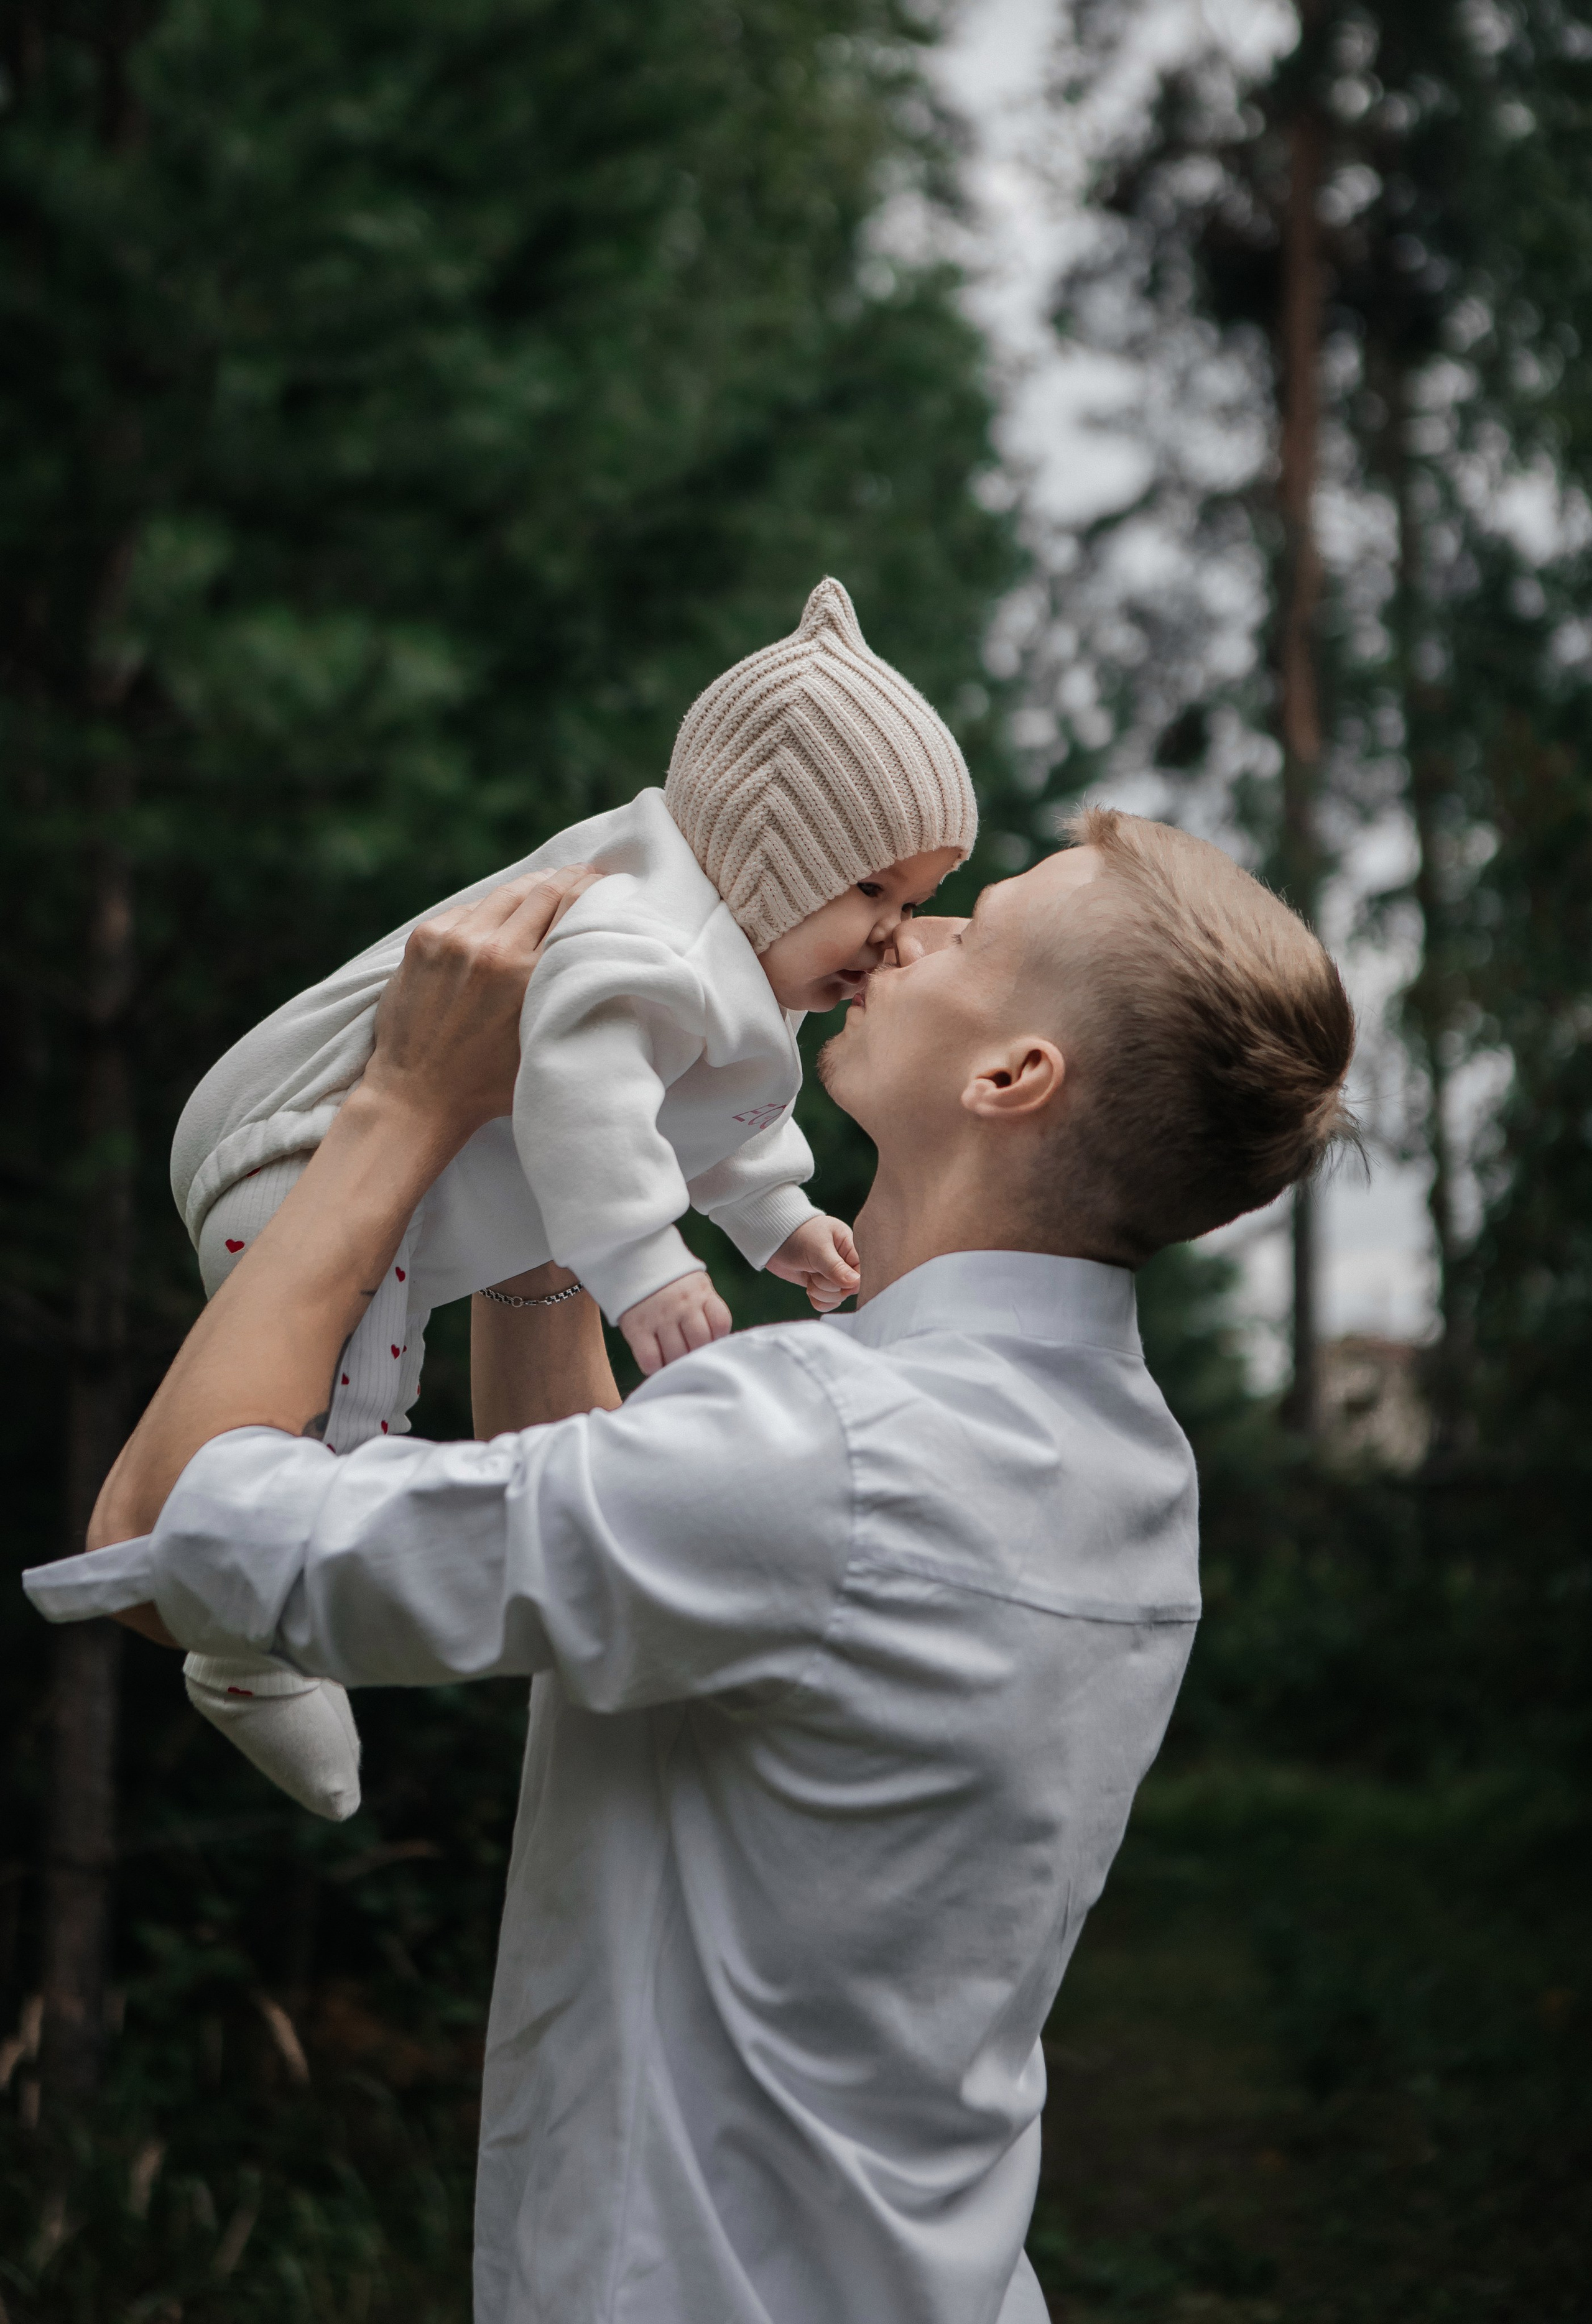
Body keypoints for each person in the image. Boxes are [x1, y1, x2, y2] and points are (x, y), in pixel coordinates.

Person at [25, 805, 1356, 2324]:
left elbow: (165, 1538)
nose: (902, 933)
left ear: (1012, 1076)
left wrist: (399, 1104)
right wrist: (547, 1182)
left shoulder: (824, 1451)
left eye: (970, 933)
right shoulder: (1110, 1461)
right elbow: (634, 1548)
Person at [164, 576, 976, 1817]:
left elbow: (717, 1125)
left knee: (353, 1417)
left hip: (401, 1186)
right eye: (875, 894)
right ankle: (243, 1650)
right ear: (771, 858)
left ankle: (262, 1611)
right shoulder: (644, 935)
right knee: (352, 1415)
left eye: (917, 906)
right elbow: (589, 1095)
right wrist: (641, 1264)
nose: (899, 939)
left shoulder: (736, 979)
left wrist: (774, 1222)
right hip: (290, 1165)